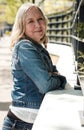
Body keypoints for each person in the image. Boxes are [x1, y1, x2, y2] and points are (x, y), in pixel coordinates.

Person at [2, 2, 68, 130]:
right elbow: (46, 85)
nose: (37, 25)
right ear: (22, 26)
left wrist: (52, 76)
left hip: (30, 122)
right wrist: (60, 79)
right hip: (20, 124)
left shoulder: (38, 48)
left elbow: (51, 75)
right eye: (30, 21)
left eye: (40, 19)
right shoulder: (25, 47)